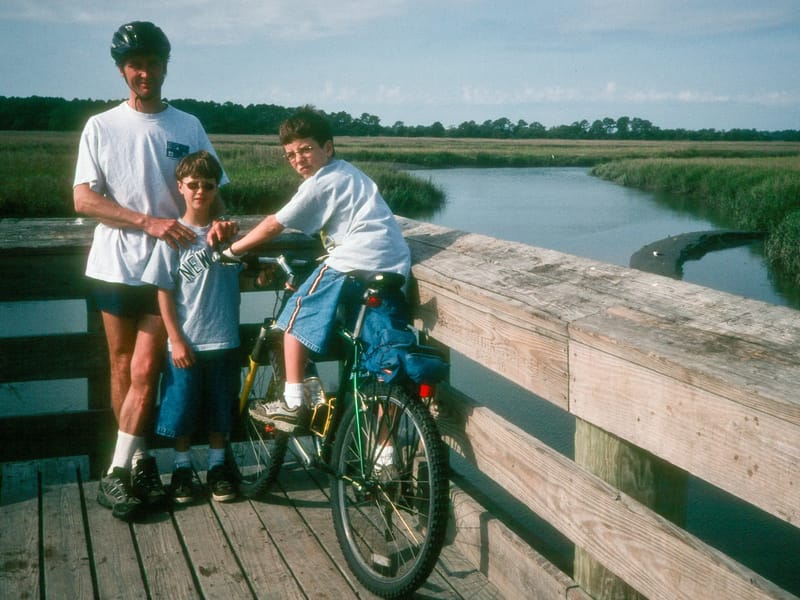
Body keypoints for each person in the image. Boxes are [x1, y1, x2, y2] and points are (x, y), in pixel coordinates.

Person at [73, 21, 234, 521]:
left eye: (152, 62)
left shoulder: (187, 126)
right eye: (134, 65)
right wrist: (148, 222)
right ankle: (138, 462)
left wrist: (223, 230)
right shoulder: (101, 126)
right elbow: (83, 199)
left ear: (166, 65)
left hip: (177, 270)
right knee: (124, 367)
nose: (144, 72)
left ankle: (117, 472)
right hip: (117, 265)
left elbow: (214, 187)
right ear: (123, 71)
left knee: (147, 368)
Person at [222, 106, 411, 435]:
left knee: (295, 315)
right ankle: (386, 452)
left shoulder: (322, 181)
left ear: (328, 147)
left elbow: (273, 225)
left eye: (306, 149)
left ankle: (293, 402)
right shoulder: (350, 173)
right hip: (392, 266)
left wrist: (232, 250)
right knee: (381, 357)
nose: (298, 159)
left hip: (355, 260)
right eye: (291, 154)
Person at [141, 151, 241, 504]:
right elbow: (165, 292)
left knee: (219, 406)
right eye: (193, 185)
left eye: (208, 185)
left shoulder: (228, 232)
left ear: (216, 189)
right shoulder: (174, 237)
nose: (200, 191)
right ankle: (182, 468)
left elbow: (247, 265)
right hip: (186, 343)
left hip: (225, 338)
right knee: (180, 407)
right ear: (180, 187)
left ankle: (217, 466)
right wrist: (176, 339)